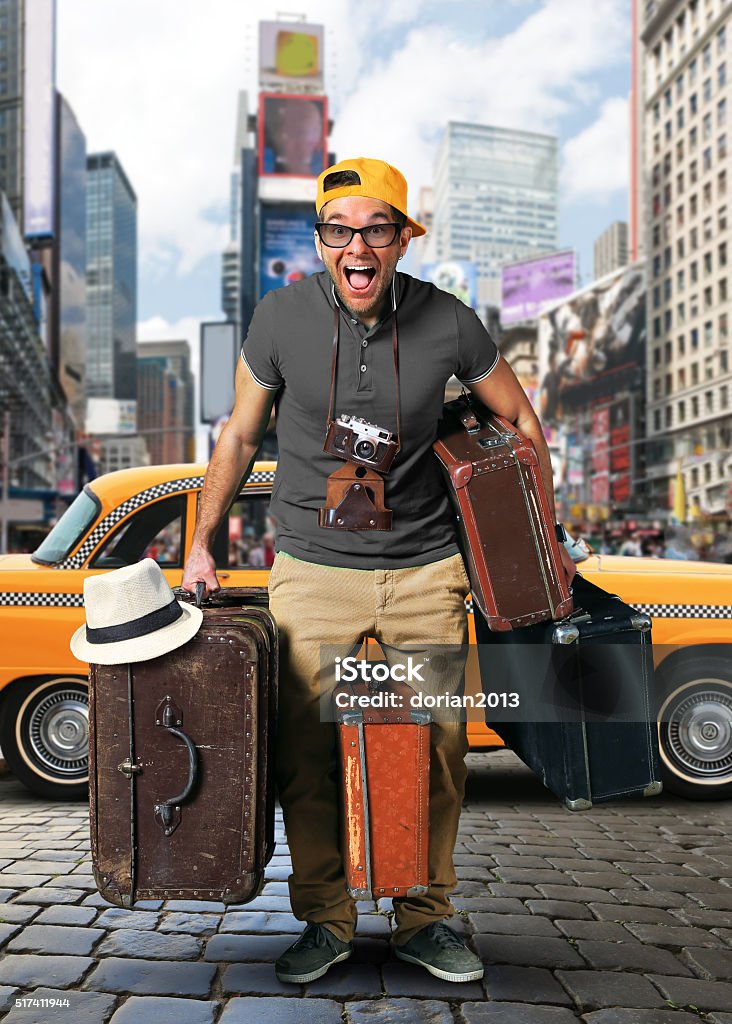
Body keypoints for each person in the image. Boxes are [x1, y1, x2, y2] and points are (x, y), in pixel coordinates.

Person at [182, 156, 576, 986]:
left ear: (403, 238)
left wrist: (533, 530)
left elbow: (519, 419)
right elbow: (238, 436)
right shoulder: (280, 318)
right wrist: (200, 541)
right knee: (308, 753)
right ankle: (324, 919)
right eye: (339, 230)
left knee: (435, 748)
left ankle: (422, 918)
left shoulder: (450, 323)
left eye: (375, 229)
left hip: (427, 573)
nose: (356, 245)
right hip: (312, 573)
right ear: (322, 241)